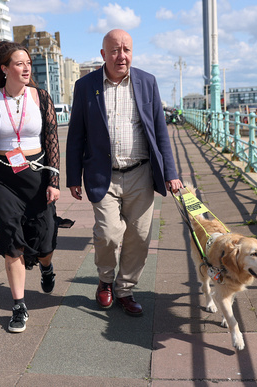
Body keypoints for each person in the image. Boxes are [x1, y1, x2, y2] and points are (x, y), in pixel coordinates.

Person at [65, 29, 183, 316]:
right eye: (115, 50)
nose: (122, 56)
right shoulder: (86, 86)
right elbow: (76, 135)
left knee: (140, 237)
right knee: (107, 233)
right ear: (103, 54)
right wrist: (72, 177)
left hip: (141, 173)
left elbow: (159, 131)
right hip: (102, 174)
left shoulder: (146, 82)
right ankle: (105, 281)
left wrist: (171, 171)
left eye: (127, 50)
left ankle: (125, 290)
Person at [0, 40, 60, 333]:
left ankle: (46, 265)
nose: (26, 68)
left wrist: (55, 181)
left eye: (28, 64)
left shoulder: (42, 98)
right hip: (1, 178)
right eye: (19, 64)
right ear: (4, 68)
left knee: (44, 239)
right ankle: (19, 306)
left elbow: (53, 141)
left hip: (37, 175)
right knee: (11, 237)